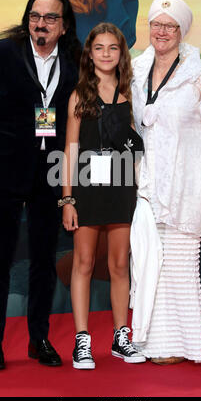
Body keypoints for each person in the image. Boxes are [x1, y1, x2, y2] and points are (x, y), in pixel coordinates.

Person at [0, 0, 81, 370]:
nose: (40, 24)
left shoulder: (74, 58)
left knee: (44, 259)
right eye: (35, 16)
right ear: (27, 18)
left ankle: (39, 338)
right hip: (2, 172)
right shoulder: (2, 52)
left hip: (50, 173)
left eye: (50, 18)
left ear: (63, 26)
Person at [130, 0, 201, 364]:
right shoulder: (134, 70)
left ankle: (181, 345)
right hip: (146, 186)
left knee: (178, 263)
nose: (161, 32)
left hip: (188, 185)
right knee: (148, 262)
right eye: (156, 24)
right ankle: (148, 341)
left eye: (170, 25)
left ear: (182, 31)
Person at [60, 22, 145, 369]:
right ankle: (82, 341)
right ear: (89, 53)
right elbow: (70, 149)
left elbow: (140, 146)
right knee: (83, 263)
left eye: (113, 48)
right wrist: (67, 200)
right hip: (87, 190)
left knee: (120, 265)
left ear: (121, 53)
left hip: (124, 189)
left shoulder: (132, 94)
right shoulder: (79, 95)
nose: (106, 54)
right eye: (99, 48)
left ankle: (120, 337)